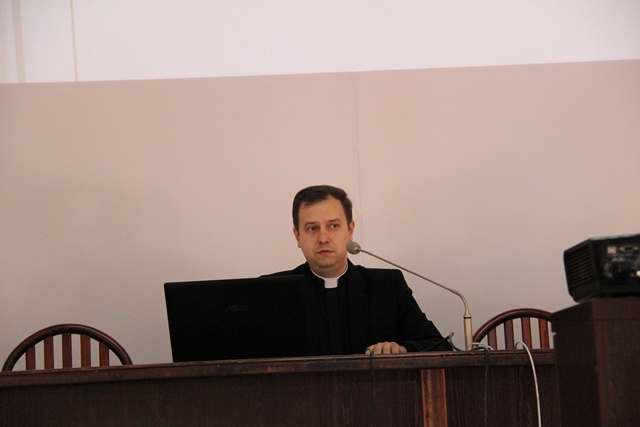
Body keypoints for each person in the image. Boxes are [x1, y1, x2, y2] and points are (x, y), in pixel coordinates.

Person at [267, 185, 452, 355]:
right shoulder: (273, 292)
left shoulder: (388, 287)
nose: (323, 238)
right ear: (297, 236)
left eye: (333, 226)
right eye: (312, 228)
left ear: (350, 230)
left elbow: (439, 346)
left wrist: (400, 349)